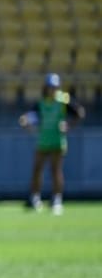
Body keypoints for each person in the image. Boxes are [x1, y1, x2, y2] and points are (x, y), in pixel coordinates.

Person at [19, 73, 85, 215]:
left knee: (56, 171)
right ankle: (35, 198)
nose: (53, 90)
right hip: (43, 140)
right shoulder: (41, 102)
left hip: (57, 141)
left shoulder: (63, 101)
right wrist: (25, 122)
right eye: (50, 87)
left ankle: (56, 200)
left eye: (55, 87)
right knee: (37, 169)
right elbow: (28, 117)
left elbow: (80, 113)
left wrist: (69, 125)